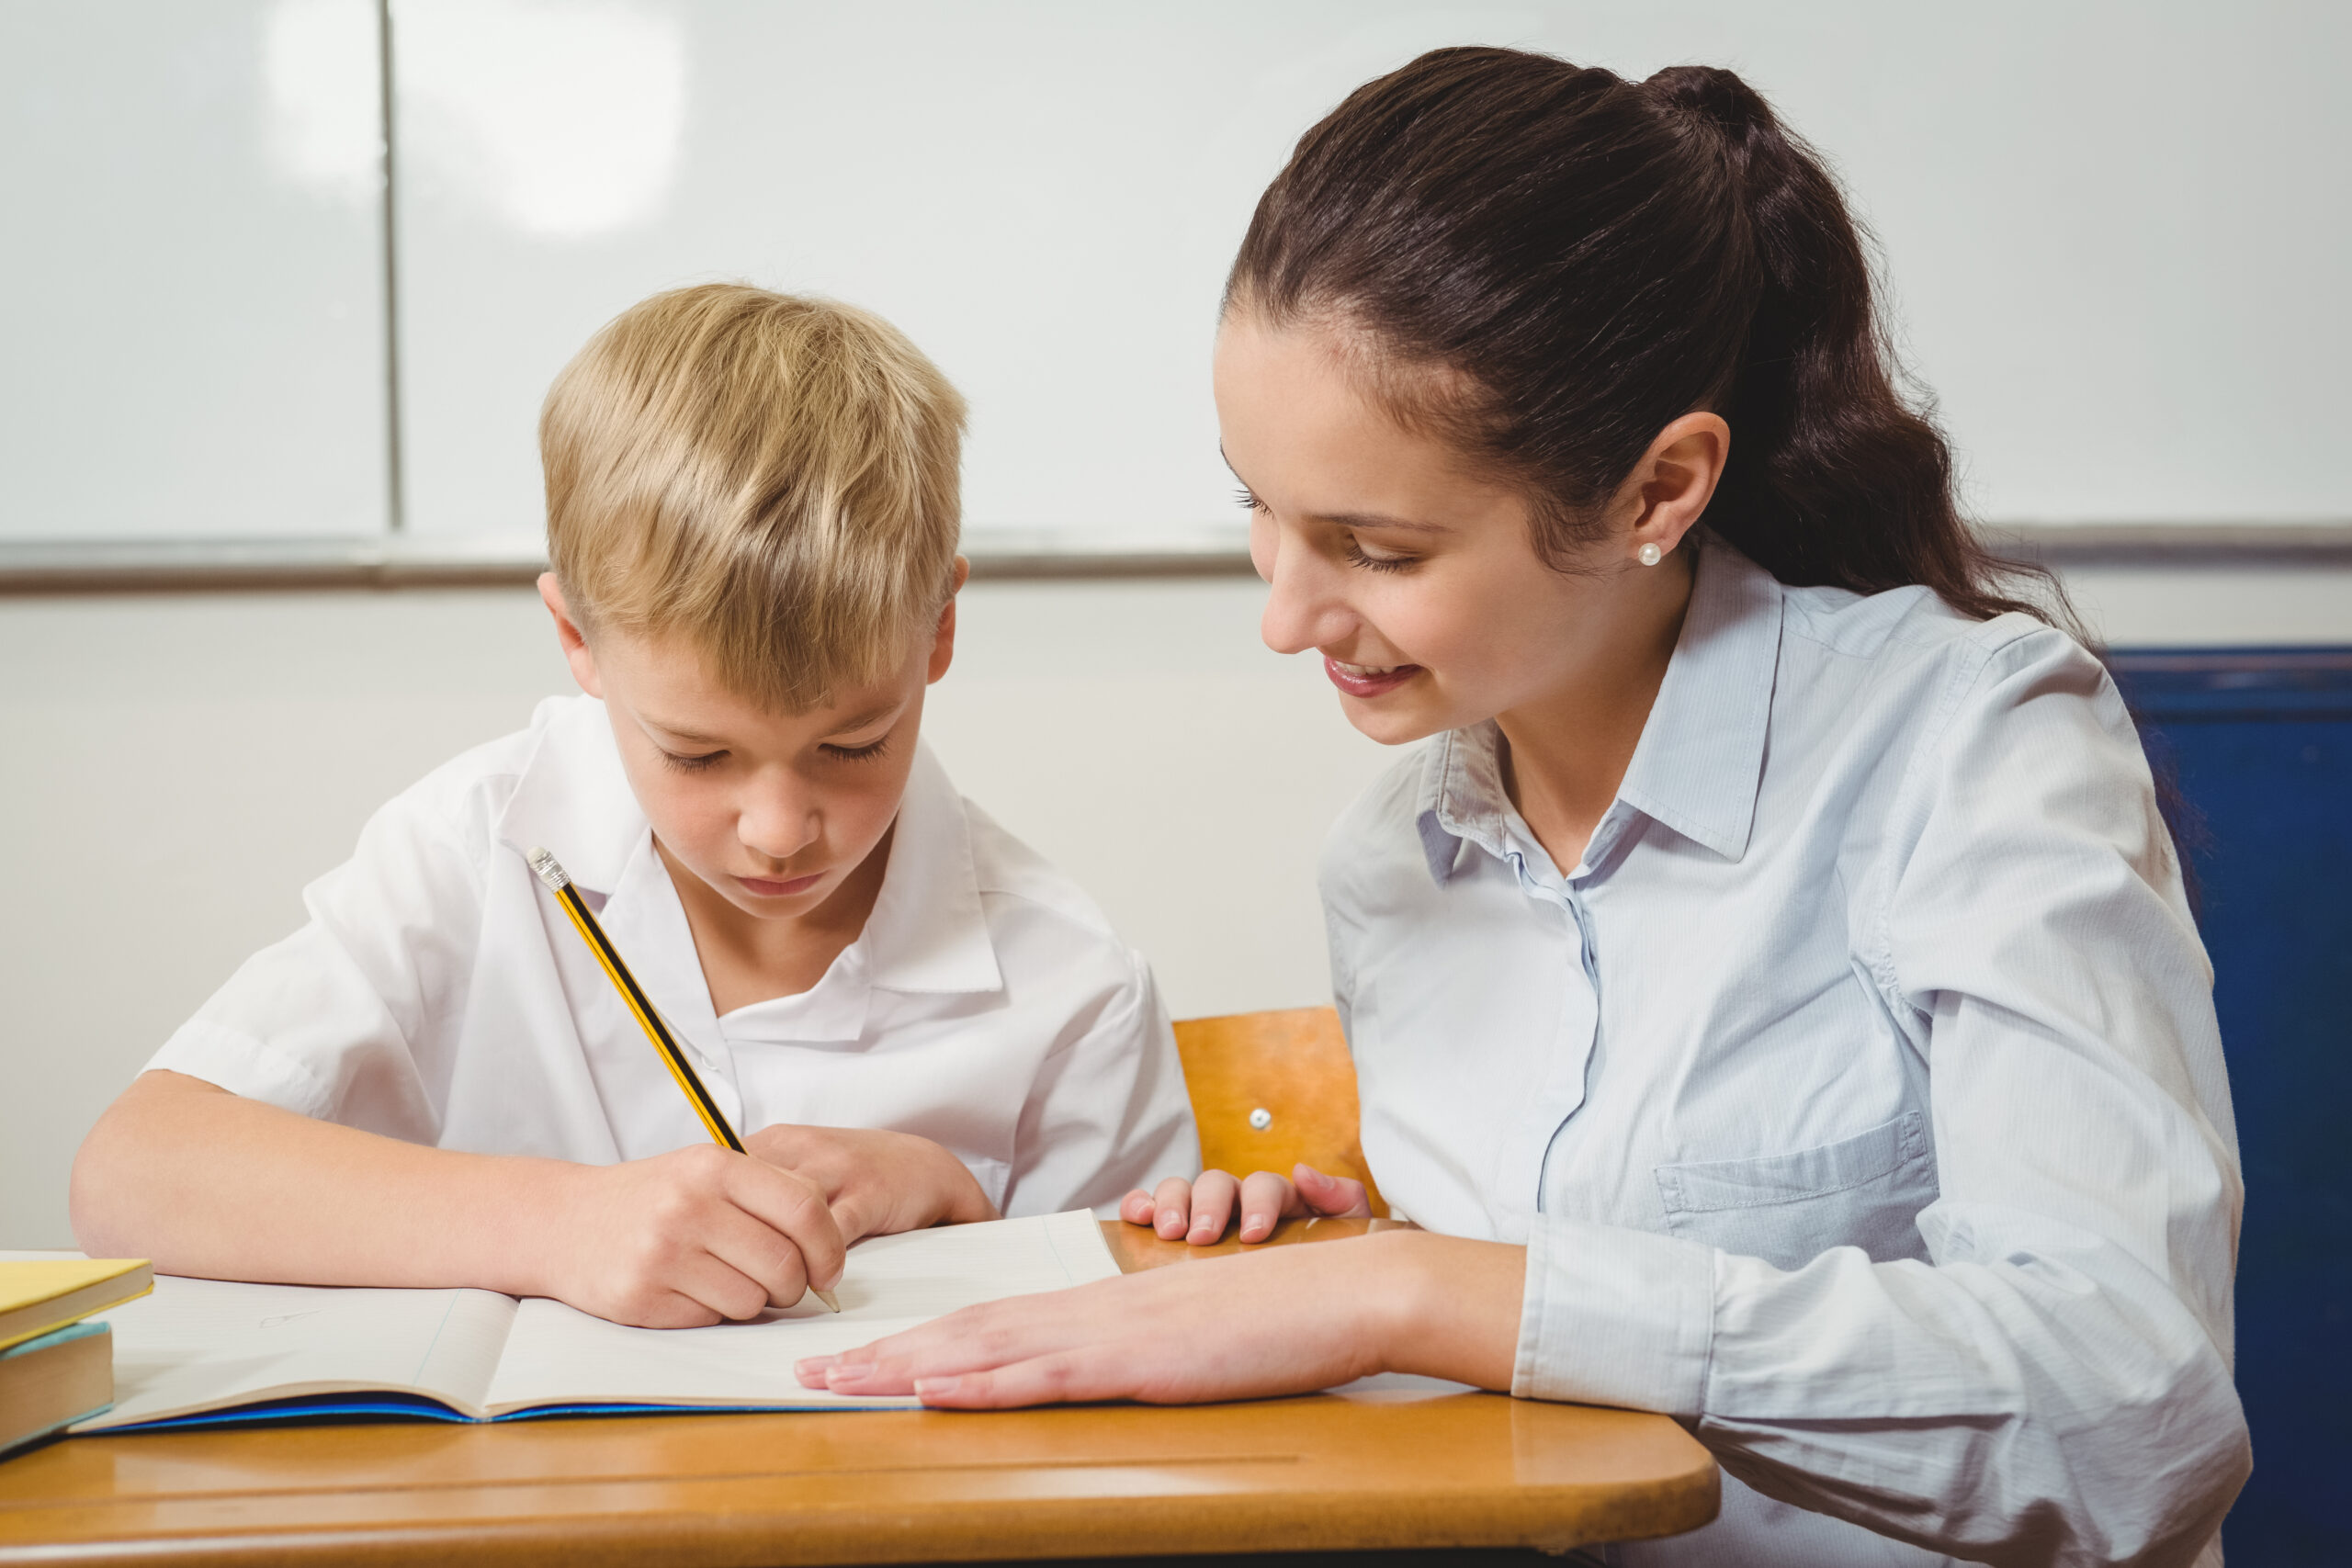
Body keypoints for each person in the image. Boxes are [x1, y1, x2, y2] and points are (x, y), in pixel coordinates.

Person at [793, 49, 2248, 1568]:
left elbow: (2124, 1425)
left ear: (1656, 491)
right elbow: (1519, 1397)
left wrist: (1425, 1294)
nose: (1286, 616)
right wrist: (1342, 1260)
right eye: (1261, 513)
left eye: (1374, 544)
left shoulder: (1972, 743)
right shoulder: (1393, 859)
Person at [71, 285, 1198, 1328]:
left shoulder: (1072, 988)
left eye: (851, 744)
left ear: (939, 631)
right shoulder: (478, 844)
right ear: (578, 642)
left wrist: (966, 1219)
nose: (776, 829)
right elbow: (131, 1175)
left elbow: (1134, 1349)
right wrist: (553, 1223)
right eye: (699, 754)